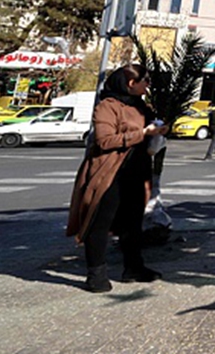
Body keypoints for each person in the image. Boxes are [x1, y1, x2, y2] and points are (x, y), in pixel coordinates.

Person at [66, 64, 167, 293]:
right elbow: (104, 141)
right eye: (145, 80)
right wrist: (142, 133)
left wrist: (159, 129)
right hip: (110, 170)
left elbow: (148, 130)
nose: (147, 84)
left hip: (137, 170)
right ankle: (96, 275)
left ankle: (133, 267)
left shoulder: (141, 106)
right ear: (131, 83)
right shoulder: (107, 106)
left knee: (132, 222)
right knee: (100, 221)